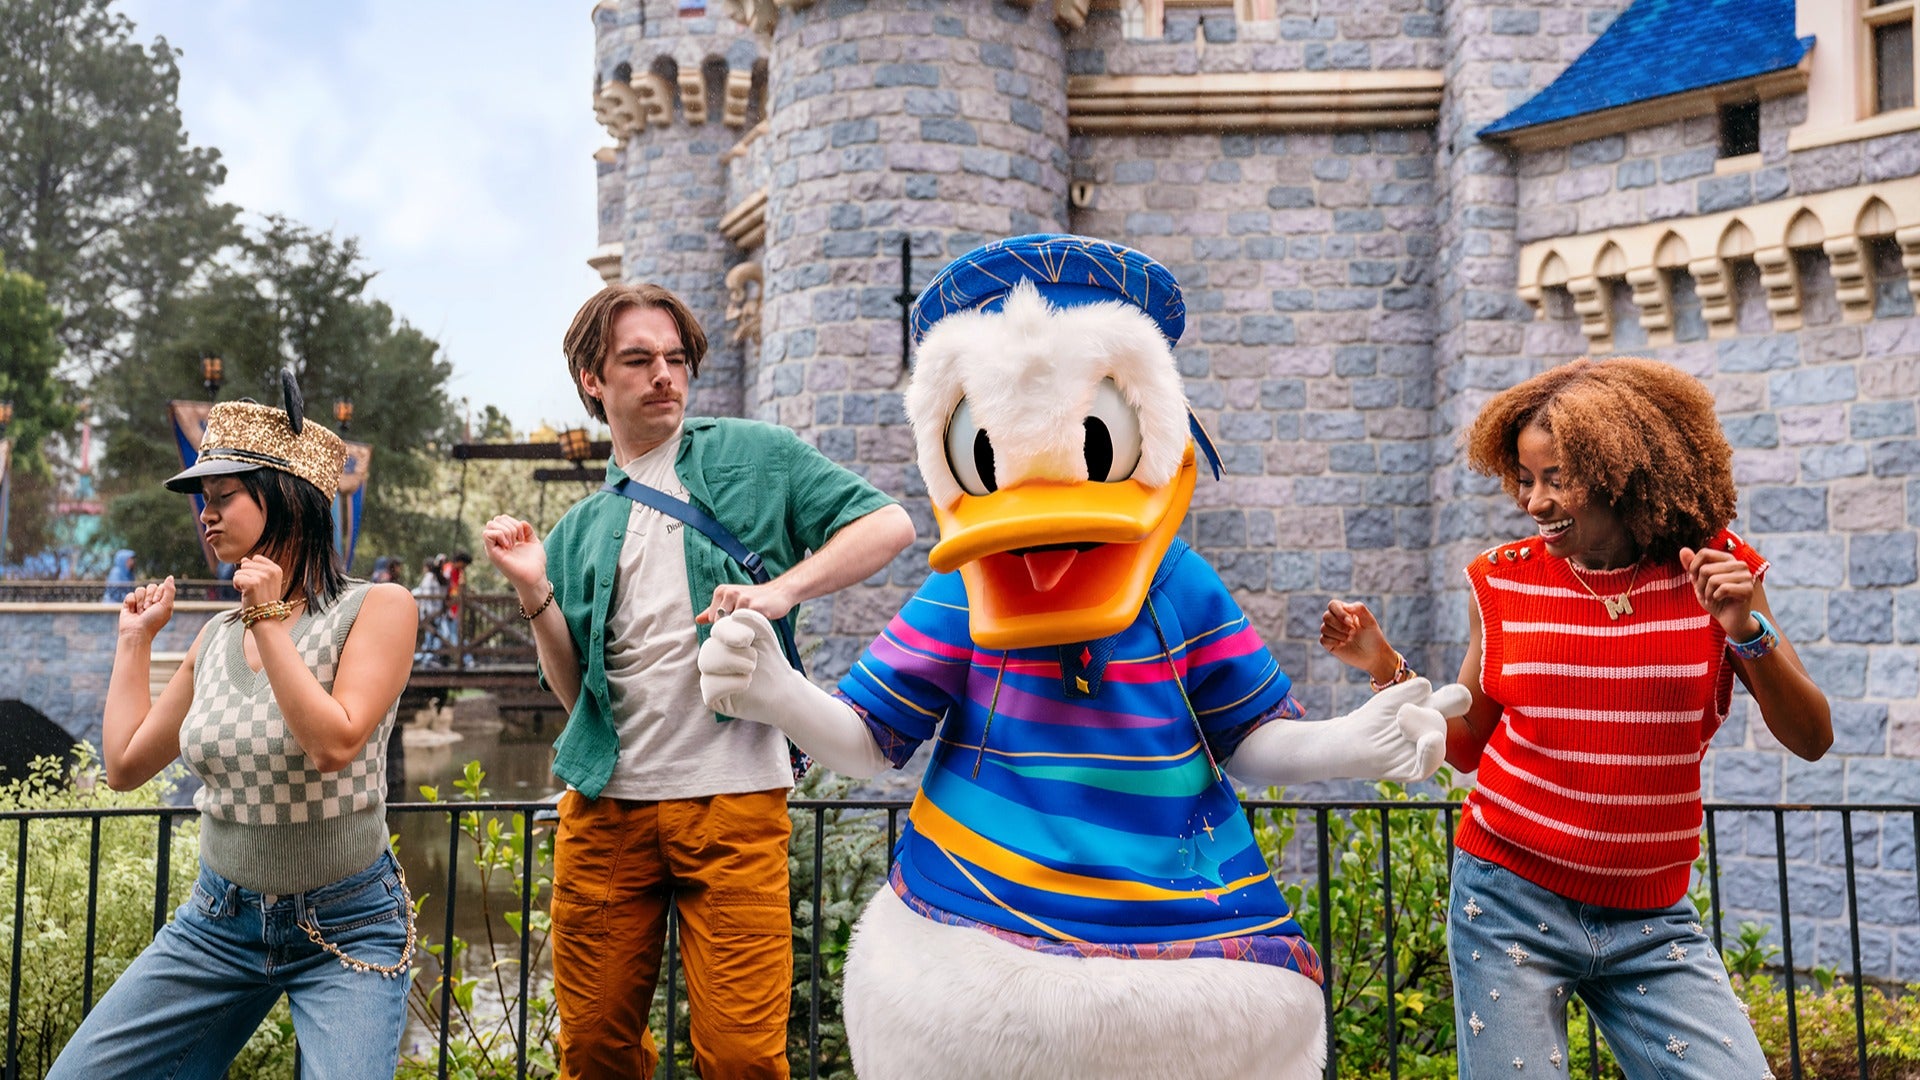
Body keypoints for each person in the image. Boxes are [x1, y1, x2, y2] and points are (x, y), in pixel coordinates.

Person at [1319, 356, 1831, 1079]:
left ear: (1622, 471)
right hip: (1507, 904)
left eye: (1558, 478)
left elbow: (1812, 738)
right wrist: (1384, 665)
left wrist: (1744, 630)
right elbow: (1469, 744)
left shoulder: (1716, 572)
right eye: (1525, 480)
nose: (1535, 501)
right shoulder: (1502, 580)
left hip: (1651, 920)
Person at [481, 281, 915, 1080]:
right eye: (638, 360)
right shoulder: (580, 528)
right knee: (594, 1052)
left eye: (676, 359)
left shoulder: (757, 456)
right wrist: (532, 589)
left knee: (743, 1058)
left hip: (734, 805)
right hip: (604, 812)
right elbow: (577, 696)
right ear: (593, 380)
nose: (664, 377)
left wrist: (783, 589)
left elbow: (889, 523)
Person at [49, 392, 418, 1079]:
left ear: (286, 498)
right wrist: (133, 643)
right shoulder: (216, 637)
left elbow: (333, 745)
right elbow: (126, 765)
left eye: (223, 495)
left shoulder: (378, 609)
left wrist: (269, 618)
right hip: (219, 922)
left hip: (349, 926)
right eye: (202, 498)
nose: (205, 513)